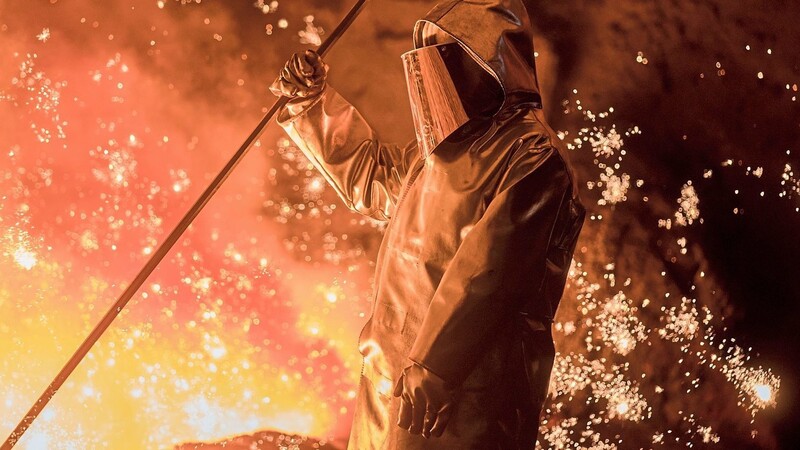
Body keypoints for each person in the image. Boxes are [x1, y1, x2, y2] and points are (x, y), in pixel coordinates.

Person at [269, 0, 585, 448]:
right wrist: (310, 104)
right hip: (392, 377)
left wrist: (438, 365)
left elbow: (491, 271)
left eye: (451, 53)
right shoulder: (437, 152)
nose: (438, 68)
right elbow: (371, 178)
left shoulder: (531, 156)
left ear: (492, 63)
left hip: (463, 393)